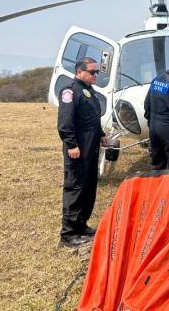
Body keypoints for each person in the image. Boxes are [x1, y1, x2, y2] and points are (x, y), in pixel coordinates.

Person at [57, 57, 108, 248]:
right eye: (92, 72)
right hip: (78, 146)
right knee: (76, 186)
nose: (96, 75)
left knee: (88, 186)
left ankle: (81, 224)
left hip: (91, 144)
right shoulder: (70, 91)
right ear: (79, 72)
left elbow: (92, 117)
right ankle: (68, 234)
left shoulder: (89, 91)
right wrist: (71, 145)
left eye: (97, 72)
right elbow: (65, 122)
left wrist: (100, 134)